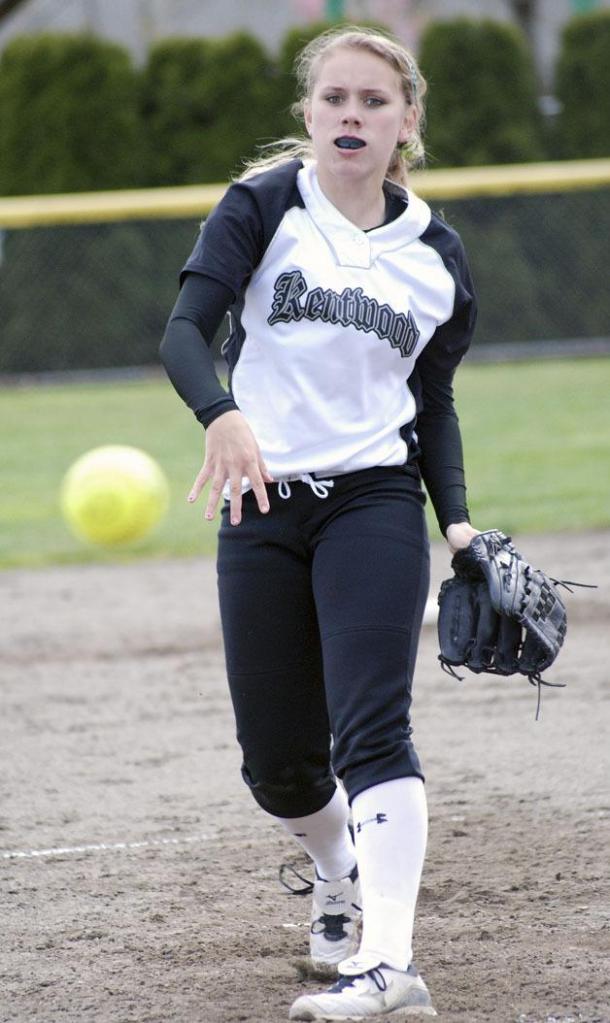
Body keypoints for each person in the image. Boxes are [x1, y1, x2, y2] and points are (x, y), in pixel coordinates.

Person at [160, 25, 480, 1020]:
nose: (352, 115)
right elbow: (183, 332)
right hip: (260, 500)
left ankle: (387, 964)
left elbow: (432, 404)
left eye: (373, 102)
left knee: (374, 726)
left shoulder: (435, 256)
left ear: (406, 123)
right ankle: (338, 873)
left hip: (375, 501)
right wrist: (221, 414)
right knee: (279, 763)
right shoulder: (263, 207)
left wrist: (458, 526)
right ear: (308, 113)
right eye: (335, 98)